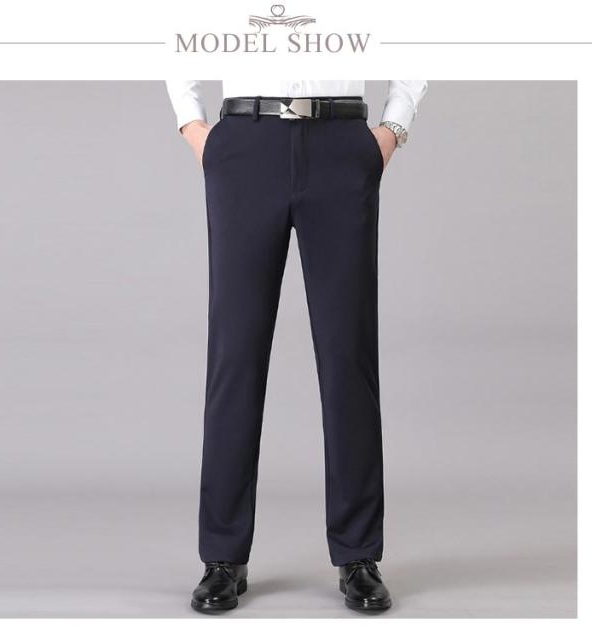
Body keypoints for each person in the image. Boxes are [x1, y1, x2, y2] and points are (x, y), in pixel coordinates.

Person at [167, 80, 427, 612]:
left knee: (348, 353)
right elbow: (176, 40)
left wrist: (394, 126)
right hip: (245, 143)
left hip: (341, 142)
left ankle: (358, 554)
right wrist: (194, 126)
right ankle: (222, 556)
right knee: (235, 354)